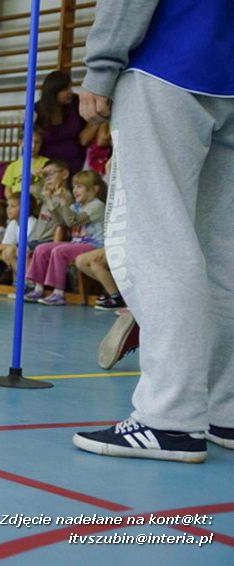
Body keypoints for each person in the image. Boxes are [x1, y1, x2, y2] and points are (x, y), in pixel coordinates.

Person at [72, 0, 234, 463]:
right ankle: (225, 411)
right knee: (224, 253)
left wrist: (102, 67)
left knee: (159, 243)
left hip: (167, 67)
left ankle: (169, 420)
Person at [23, 170, 104, 306]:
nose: (75, 190)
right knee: (41, 248)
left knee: (59, 251)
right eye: (74, 187)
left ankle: (58, 293)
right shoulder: (76, 206)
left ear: (94, 189)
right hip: (77, 243)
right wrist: (49, 199)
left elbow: (74, 222)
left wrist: (63, 202)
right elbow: (62, 223)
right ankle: (38, 288)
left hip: (94, 245)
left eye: (80, 187)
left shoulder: (97, 205)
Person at [35, 70, 91, 175]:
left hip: (78, 166)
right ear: (53, 92)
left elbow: (87, 132)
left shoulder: (76, 102)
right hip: (49, 170)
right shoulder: (37, 110)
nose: (70, 92)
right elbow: (28, 140)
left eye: (70, 87)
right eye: (65, 89)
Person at [0, 192, 38, 283]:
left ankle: (28, 281)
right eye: (8, 205)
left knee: (10, 251)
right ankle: (18, 282)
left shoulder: (31, 223)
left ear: (24, 208)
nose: (8, 209)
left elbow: (27, 244)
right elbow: (7, 243)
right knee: (6, 252)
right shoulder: (12, 223)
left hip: (32, 253)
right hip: (20, 252)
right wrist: (5, 247)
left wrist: (5, 247)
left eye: (13, 206)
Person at [1, 129, 49, 199]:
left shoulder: (46, 163)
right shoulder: (12, 166)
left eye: (37, 142)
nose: (33, 146)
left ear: (41, 144)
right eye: (29, 141)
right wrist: (14, 201)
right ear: (21, 143)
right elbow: (7, 189)